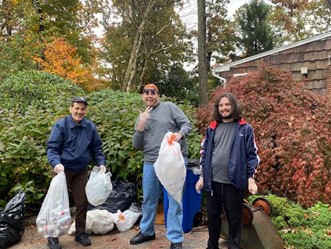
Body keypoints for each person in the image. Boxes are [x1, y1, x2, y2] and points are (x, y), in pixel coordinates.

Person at [130, 84, 192, 249]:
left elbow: (187, 124)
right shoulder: (141, 116)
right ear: (142, 96)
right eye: (146, 92)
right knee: (149, 199)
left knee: (174, 200)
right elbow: (137, 145)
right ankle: (147, 231)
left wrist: (180, 134)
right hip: (151, 162)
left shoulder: (169, 107)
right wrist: (140, 125)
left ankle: (175, 238)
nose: (150, 95)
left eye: (153, 92)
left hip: (173, 162)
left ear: (158, 95)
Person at [195, 92, 259, 249]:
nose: (224, 108)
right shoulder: (212, 128)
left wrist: (250, 179)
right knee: (213, 218)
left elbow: (252, 155)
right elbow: (204, 154)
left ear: (234, 106)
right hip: (212, 182)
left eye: (227, 104)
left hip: (234, 182)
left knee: (234, 219)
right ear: (218, 108)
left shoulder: (245, 129)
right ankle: (212, 246)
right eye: (221, 105)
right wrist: (202, 177)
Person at [46, 97, 107, 249]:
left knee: (82, 202)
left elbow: (97, 148)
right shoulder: (61, 126)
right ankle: (53, 236)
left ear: (86, 110)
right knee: (57, 203)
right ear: (71, 109)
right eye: (77, 108)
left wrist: (101, 164)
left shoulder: (90, 127)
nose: (79, 112)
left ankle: (80, 233)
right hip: (62, 170)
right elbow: (52, 148)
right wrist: (56, 163)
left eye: (82, 109)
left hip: (81, 170)